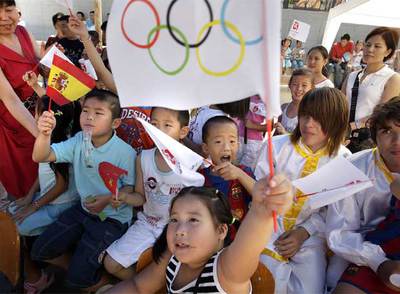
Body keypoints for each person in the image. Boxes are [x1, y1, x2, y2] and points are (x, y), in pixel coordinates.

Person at [106, 175, 294, 294]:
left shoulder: (226, 271)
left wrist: (262, 211)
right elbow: (138, 287)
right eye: (174, 219)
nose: (180, 230)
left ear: (221, 230)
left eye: (193, 220)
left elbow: (249, 244)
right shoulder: (174, 258)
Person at [30, 89, 136, 291]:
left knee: (76, 280)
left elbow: (130, 190)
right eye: (85, 110)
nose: (89, 116)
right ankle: (86, 276)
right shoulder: (79, 140)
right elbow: (41, 156)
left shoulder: (126, 152)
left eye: (98, 112)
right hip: (83, 210)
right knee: (39, 250)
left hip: (112, 219)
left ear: (115, 123)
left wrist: (107, 199)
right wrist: (45, 134)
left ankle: (93, 279)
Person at [254, 87, 351, 294]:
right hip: (269, 229)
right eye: (305, 115)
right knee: (265, 283)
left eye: (318, 119)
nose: (308, 124)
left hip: (312, 236)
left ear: (337, 121)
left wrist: (303, 233)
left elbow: (335, 211)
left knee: (310, 289)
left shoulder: (343, 159)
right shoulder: (276, 147)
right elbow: (257, 192)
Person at [103, 107, 201, 280]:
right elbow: (140, 196)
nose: (159, 131)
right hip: (148, 224)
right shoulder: (144, 158)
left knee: (178, 274)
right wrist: (125, 197)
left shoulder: (191, 164)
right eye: (154, 124)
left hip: (178, 228)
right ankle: (148, 287)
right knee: (110, 264)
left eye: (167, 125)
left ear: (183, 131)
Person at [326, 97, 400, 293]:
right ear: (374, 135)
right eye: (387, 131)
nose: (397, 142)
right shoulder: (352, 169)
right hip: (363, 252)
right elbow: (339, 233)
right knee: (337, 282)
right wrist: (379, 262)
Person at [9, 96, 78, 294]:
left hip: (59, 205)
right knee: (10, 213)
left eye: (37, 112)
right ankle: (34, 269)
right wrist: (30, 196)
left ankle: (40, 276)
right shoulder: (48, 139)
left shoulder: (59, 145)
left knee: (13, 227)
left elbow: (61, 185)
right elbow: (43, 173)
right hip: (46, 200)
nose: (34, 116)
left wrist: (34, 205)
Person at [67, 14, 155, 153]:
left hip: (148, 162)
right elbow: (101, 70)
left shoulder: (161, 98)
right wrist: (85, 37)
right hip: (117, 159)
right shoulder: (123, 91)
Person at [0, 0, 42, 199]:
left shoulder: (24, 33)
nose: (4, 18)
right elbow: (10, 99)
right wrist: (42, 136)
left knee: (48, 176)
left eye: (8, 10)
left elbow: (42, 66)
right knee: (24, 182)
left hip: (38, 112)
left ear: (17, 11)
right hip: (13, 124)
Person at [342, 27, 400, 153]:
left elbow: (383, 114)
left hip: (369, 140)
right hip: (342, 135)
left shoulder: (392, 78)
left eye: (377, 46)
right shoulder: (352, 75)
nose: (370, 49)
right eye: (368, 45)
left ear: (388, 51)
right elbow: (339, 104)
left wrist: (353, 126)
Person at [200, 116, 256, 232]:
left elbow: (260, 195)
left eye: (232, 141)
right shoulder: (200, 177)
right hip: (210, 238)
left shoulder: (244, 172)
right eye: (218, 142)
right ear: (206, 148)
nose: (226, 148)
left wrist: (240, 175)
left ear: (238, 145)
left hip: (239, 238)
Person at [275, 68, 314, 134]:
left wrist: (284, 133)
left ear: (312, 88)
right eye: (295, 84)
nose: (299, 89)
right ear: (289, 86)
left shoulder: (312, 112)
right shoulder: (284, 107)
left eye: (304, 85)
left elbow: (307, 140)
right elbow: (276, 134)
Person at [237, 95, 267, 170]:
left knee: (245, 169)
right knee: (235, 165)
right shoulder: (246, 95)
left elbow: (271, 126)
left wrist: (252, 126)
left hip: (254, 142)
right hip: (239, 136)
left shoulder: (268, 100)